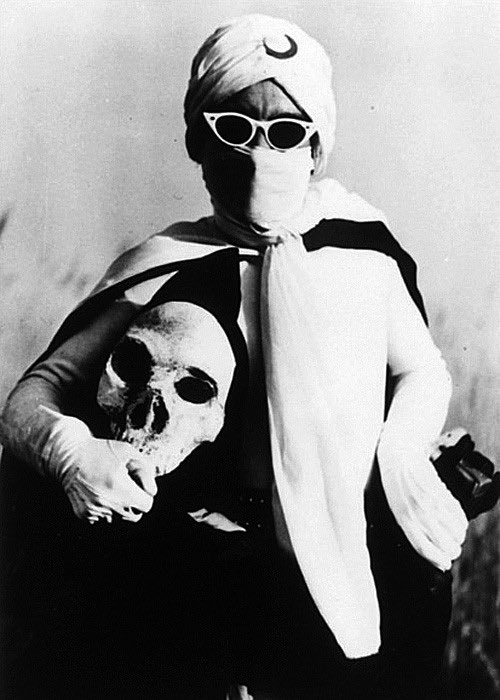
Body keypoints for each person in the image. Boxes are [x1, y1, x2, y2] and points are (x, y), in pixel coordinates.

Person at [0, 14, 469, 699]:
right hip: (198, 573)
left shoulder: (362, 255)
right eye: (235, 128)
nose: (258, 153)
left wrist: (402, 451)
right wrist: (73, 453)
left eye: (285, 133)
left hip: (350, 551)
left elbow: (423, 368)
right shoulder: (162, 264)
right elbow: (36, 393)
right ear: (198, 138)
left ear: (316, 147)